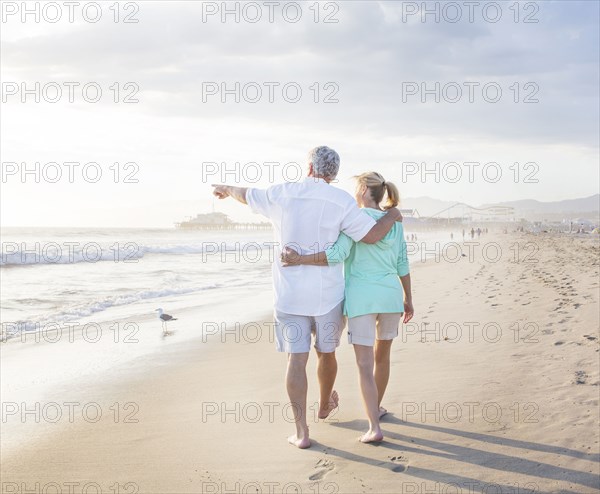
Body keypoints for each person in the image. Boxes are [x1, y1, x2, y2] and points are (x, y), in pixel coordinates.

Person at [212, 146, 402, 449]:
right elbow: (370, 236)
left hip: (289, 295)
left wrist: (224, 188)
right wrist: (391, 216)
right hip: (328, 296)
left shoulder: (281, 193)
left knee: (295, 359)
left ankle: (301, 433)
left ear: (310, 168)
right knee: (327, 353)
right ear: (334, 174)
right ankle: (325, 403)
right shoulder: (340, 200)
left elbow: (246, 193)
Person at [281, 172, 413, 443]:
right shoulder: (395, 223)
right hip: (390, 298)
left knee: (364, 365)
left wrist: (300, 259)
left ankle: (374, 428)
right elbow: (402, 262)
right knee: (382, 358)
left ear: (364, 190)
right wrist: (408, 298)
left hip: (361, 300)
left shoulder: (354, 220)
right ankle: (375, 408)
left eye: (356, 187)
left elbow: (336, 255)